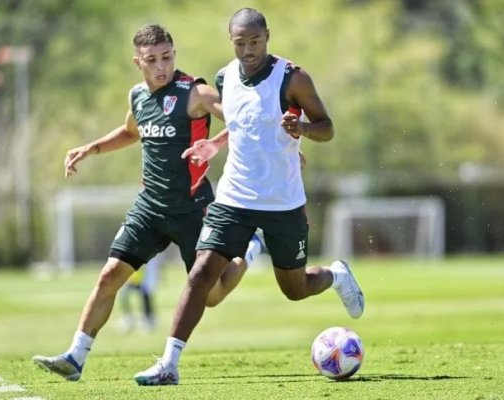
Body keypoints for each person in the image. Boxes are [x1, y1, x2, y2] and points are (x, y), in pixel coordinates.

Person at [133, 8, 364, 386]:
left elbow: (328, 128)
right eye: (240, 43)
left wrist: (302, 128)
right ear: (232, 43)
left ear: (267, 37)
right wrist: (215, 145)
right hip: (233, 198)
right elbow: (243, 124)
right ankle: (168, 364)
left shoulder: (293, 78)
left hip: (282, 201)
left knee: (294, 289)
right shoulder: (225, 77)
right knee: (201, 274)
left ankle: (336, 275)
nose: (248, 50)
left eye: (254, 41)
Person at [32, 23, 265, 382]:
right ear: (137, 62)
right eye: (152, 60)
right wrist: (90, 148)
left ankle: (248, 250)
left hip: (192, 208)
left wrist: (258, 144)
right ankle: (75, 357)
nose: (162, 66)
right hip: (150, 208)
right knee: (110, 275)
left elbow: (241, 118)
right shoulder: (137, 96)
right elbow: (130, 131)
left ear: (175, 54)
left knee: (212, 295)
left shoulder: (196, 93)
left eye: (167, 57)